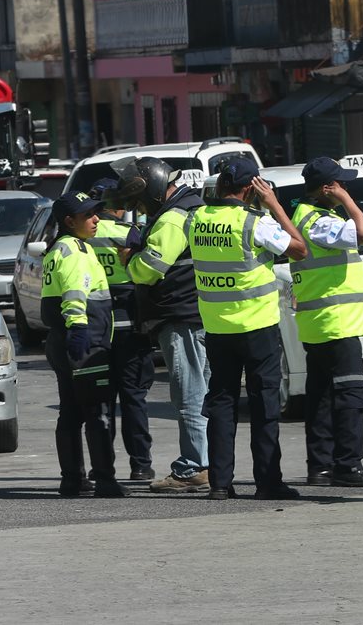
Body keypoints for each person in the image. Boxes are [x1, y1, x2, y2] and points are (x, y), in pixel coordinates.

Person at [188, 157, 307, 500]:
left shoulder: (199, 219)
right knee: (264, 405)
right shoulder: (255, 222)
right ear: (250, 188)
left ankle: (220, 484)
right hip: (257, 326)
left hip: (217, 327)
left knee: (222, 404)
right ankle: (267, 482)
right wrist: (275, 206)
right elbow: (299, 250)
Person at [116, 157, 211, 494]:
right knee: (202, 390)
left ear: (152, 188)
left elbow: (149, 269)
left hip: (180, 316)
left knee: (189, 393)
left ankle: (193, 467)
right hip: (198, 312)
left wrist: (130, 259)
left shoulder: (171, 218)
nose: (138, 207)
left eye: (140, 200)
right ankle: (207, 462)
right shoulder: (193, 206)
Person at [291, 157, 363, 488]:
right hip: (336, 323)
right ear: (326, 188)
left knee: (321, 397)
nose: (346, 188)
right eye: (340, 184)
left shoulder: (306, 216)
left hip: (319, 323)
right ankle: (348, 465)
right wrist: (347, 201)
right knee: (349, 394)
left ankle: (321, 466)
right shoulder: (318, 221)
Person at [42, 191, 128, 497]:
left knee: (70, 412)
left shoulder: (58, 250)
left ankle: (72, 479)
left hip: (63, 339)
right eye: (88, 215)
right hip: (83, 340)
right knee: (97, 412)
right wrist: (79, 333)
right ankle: (104, 479)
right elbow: (74, 296)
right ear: (69, 221)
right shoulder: (75, 253)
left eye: (96, 212)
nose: (96, 219)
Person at [88, 178, 154, 481]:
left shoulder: (81, 236)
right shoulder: (129, 233)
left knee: (100, 401)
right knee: (133, 398)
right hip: (129, 326)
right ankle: (141, 465)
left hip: (95, 328)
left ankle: (103, 467)